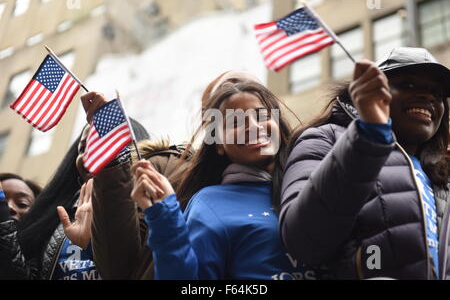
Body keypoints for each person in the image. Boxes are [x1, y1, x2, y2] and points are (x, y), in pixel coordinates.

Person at [130, 80, 329, 280]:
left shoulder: (314, 179)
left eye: (262, 116)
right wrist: (165, 218)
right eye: (235, 123)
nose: (253, 126)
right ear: (219, 145)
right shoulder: (208, 204)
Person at [280, 47, 450, 280]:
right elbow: (303, 240)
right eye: (409, 85)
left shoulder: (442, 175)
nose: (428, 97)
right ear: (367, 90)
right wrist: (369, 136)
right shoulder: (326, 139)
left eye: (438, 94)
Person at [85, 71, 268, 280]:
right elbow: (118, 263)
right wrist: (113, 162)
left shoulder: (298, 176)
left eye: (258, 111)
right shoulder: (164, 171)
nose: (251, 124)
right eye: (232, 115)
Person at [0, 119, 149, 280]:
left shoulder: (152, 211)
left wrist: (92, 245)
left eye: (102, 144)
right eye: (84, 147)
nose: (90, 154)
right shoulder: (54, 218)